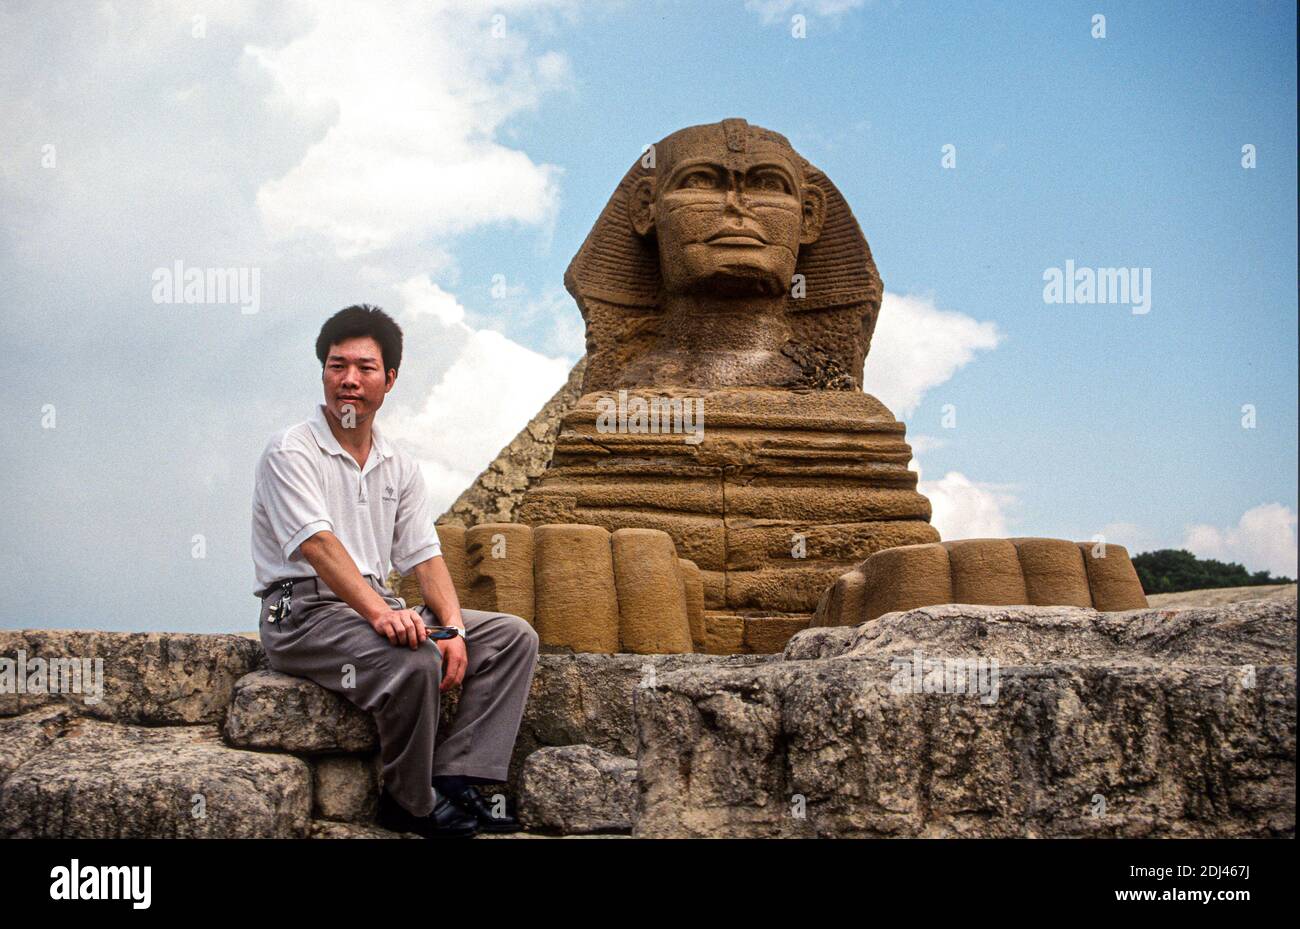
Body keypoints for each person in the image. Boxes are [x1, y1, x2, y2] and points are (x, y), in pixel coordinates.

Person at [250, 304, 539, 838]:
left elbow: (424, 558)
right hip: (305, 614)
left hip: (372, 605)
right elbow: (318, 545)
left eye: (364, 368)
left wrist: (451, 628)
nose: (350, 381)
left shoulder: (398, 464)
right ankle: (408, 802)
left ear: (390, 379)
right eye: (337, 366)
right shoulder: (291, 450)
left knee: (511, 638)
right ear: (323, 374)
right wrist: (383, 613)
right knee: (413, 661)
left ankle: (456, 775)